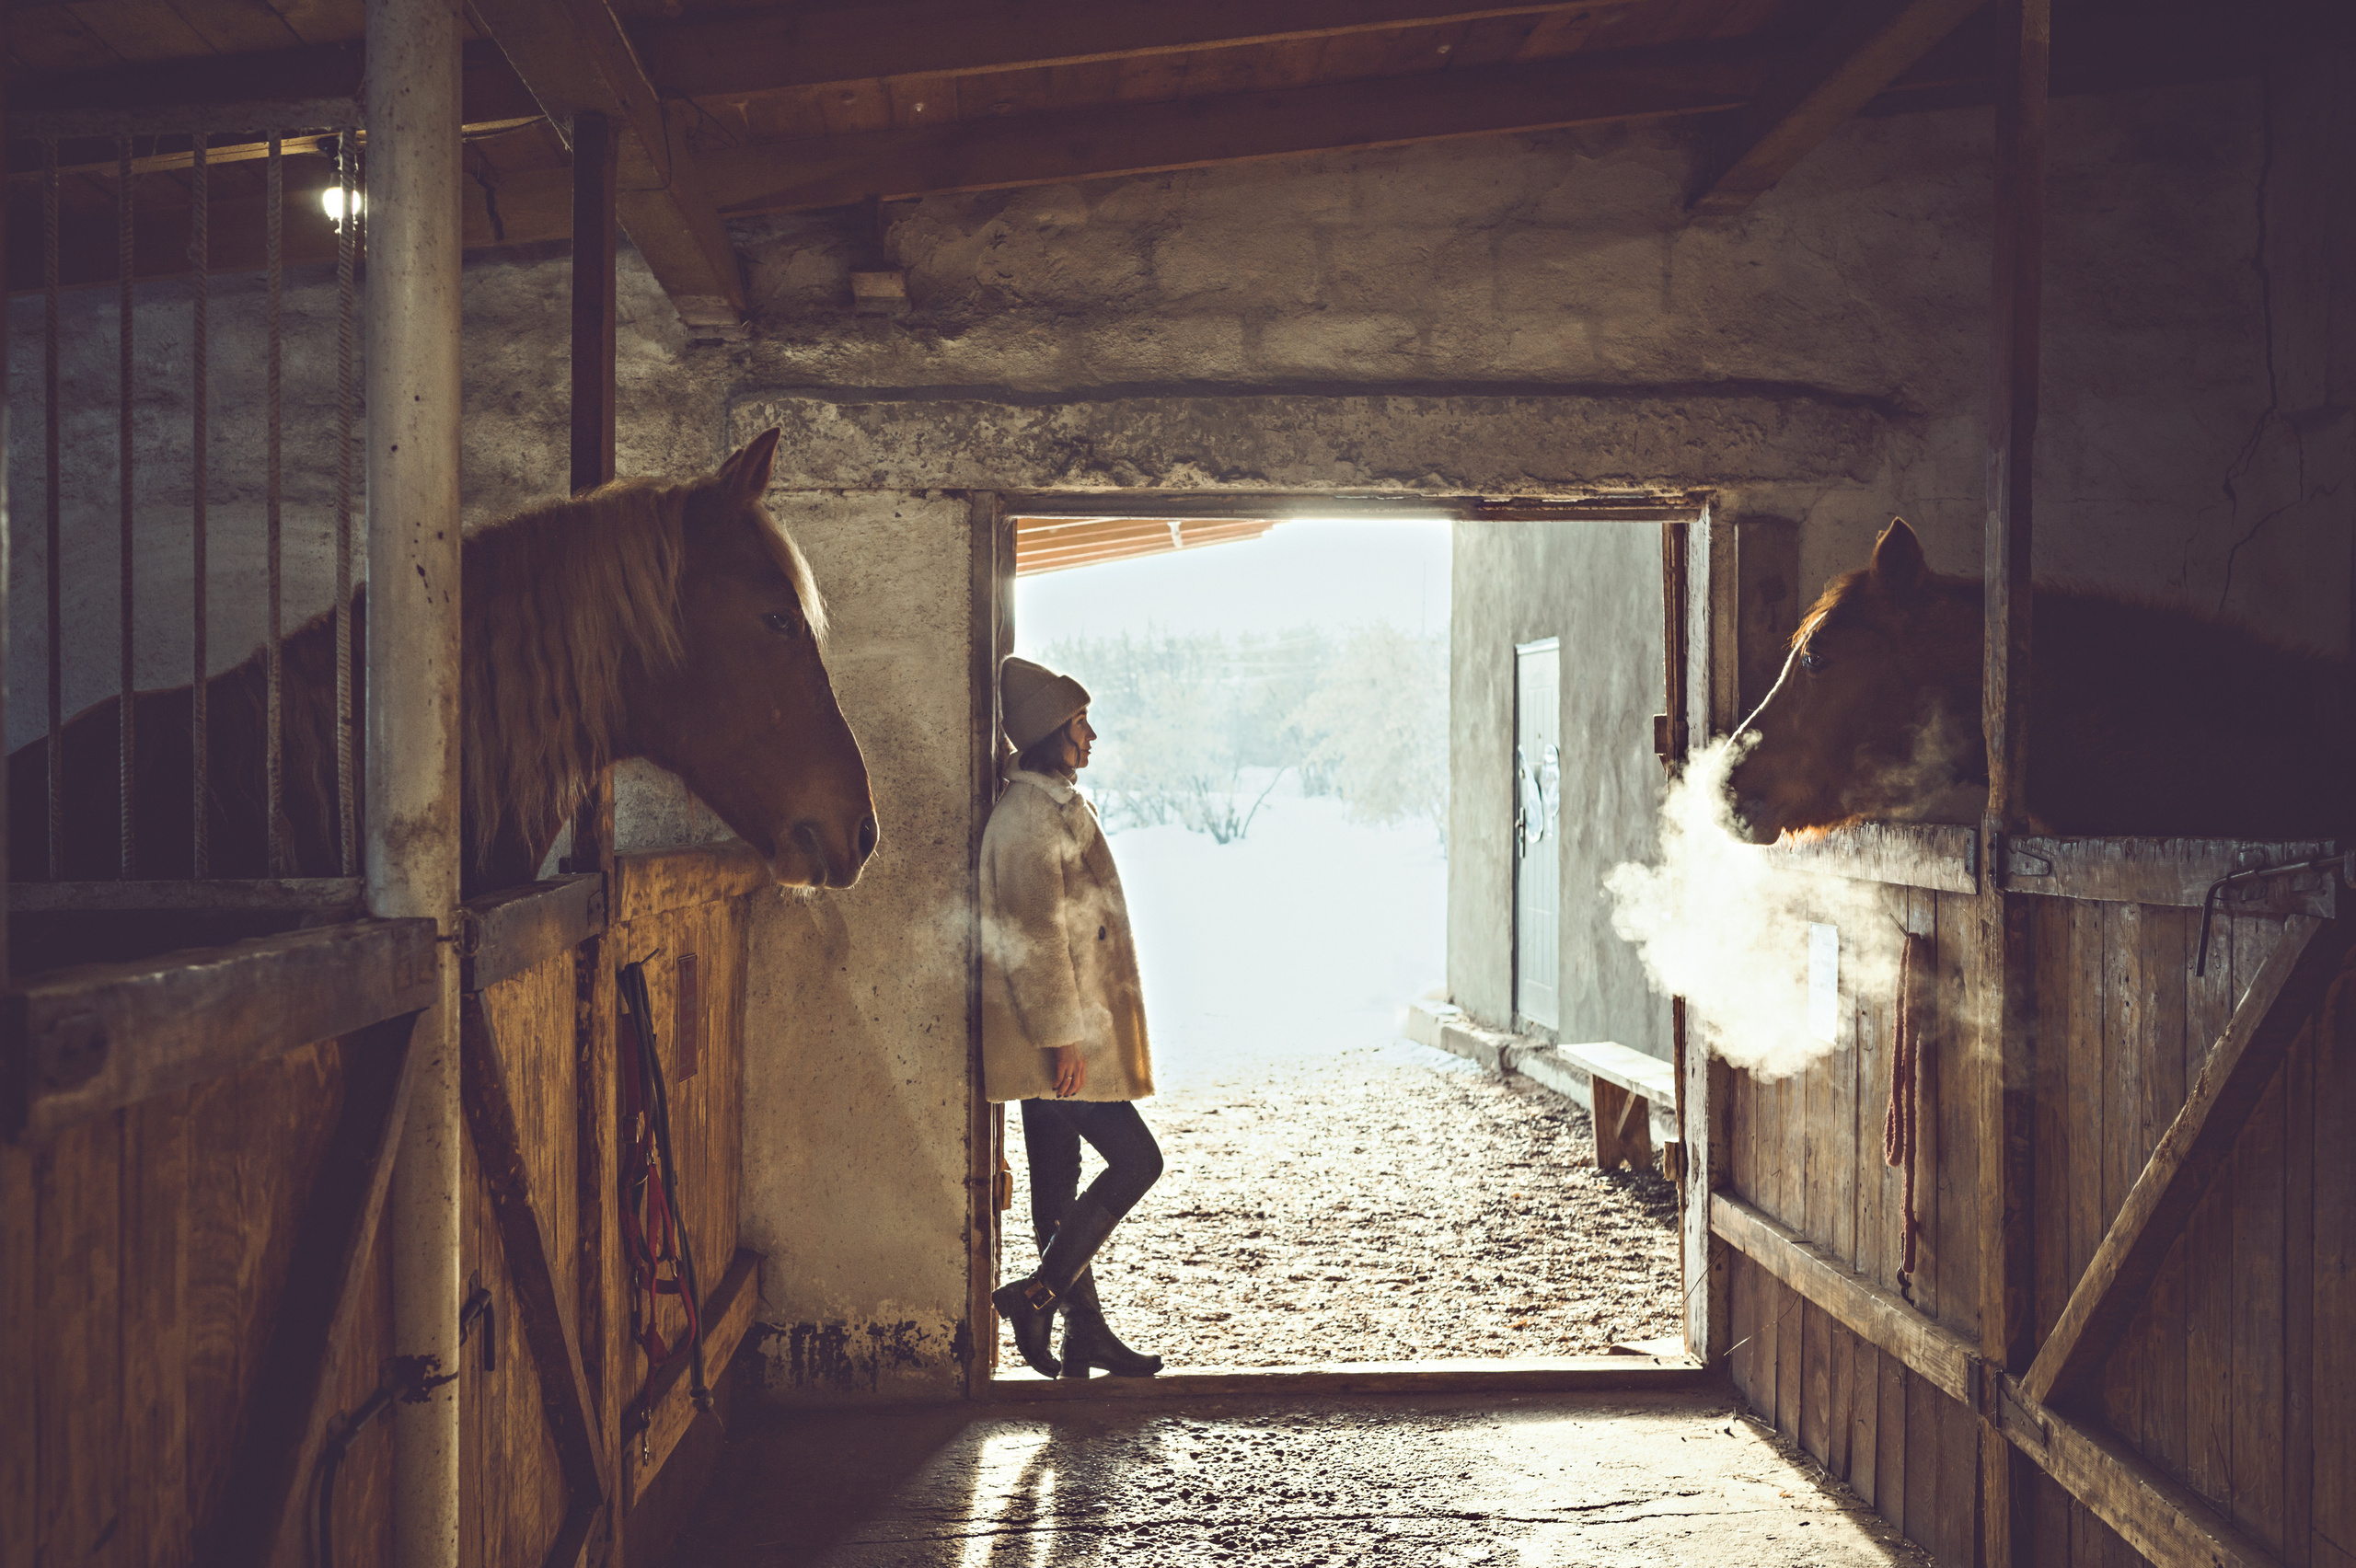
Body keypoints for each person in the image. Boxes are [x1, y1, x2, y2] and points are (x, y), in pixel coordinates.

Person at [983, 655, 1166, 1379]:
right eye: (1078, 724)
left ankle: (1081, 1332)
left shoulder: (1050, 804)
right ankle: (1039, 1296)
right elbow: (1035, 939)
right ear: (1047, 734)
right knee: (1138, 1161)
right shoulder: (1029, 818)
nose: (1091, 737)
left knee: (1057, 1191)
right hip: (1054, 1039)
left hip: (1057, 1038)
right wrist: (1064, 1035)